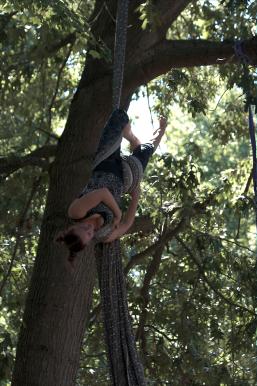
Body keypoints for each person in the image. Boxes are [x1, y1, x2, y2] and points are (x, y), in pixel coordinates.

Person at [56, 110, 167, 260]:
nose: (89, 228)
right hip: (126, 179)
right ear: (89, 241)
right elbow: (127, 224)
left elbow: (102, 193)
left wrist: (117, 213)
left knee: (119, 116)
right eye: (89, 234)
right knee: (147, 149)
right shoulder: (106, 234)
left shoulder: (76, 212)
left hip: (105, 162)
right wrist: (136, 196)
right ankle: (160, 130)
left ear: (73, 227)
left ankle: (131, 136)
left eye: (83, 228)